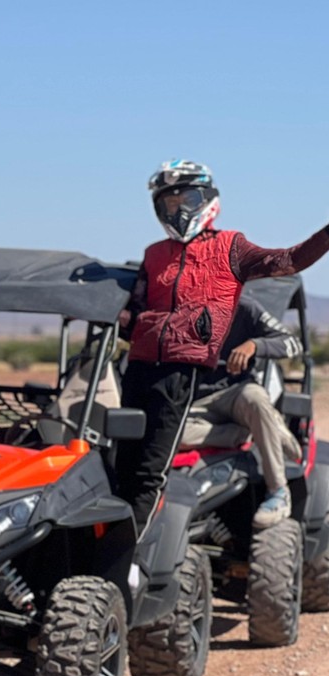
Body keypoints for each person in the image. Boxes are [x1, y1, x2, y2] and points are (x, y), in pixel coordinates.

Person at [117, 159, 329, 537]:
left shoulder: (232, 254)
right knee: (123, 463)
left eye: (189, 198)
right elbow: (135, 311)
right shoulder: (154, 255)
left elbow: (289, 261)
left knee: (151, 471)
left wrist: (326, 234)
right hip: (147, 373)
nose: (179, 208)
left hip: (202, 383)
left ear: (209, 199)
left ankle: (276, 488)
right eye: (169, 202)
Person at [182, 291, 302, 528]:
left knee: (255, 398)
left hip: (235, 394)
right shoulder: (179, 304)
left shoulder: (245, 306)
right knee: (166, 436)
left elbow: (292, 343)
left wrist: (253, 345)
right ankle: (256, 429)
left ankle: (278, 491)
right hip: (195, 404)